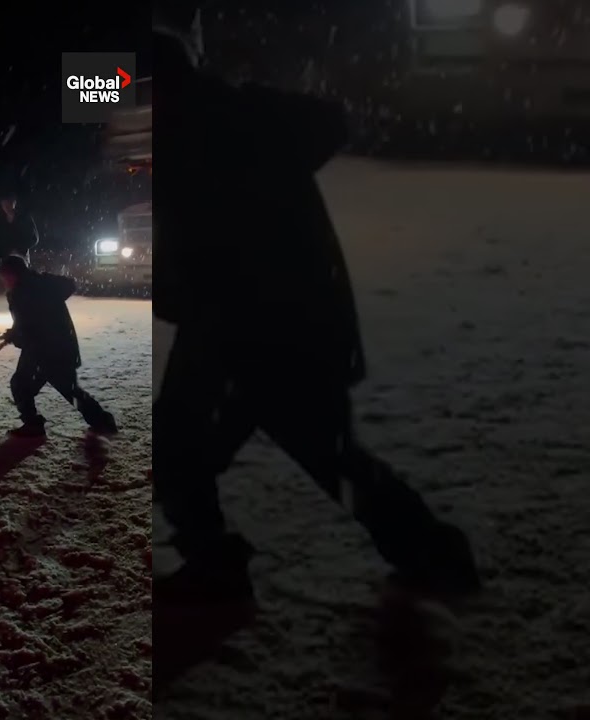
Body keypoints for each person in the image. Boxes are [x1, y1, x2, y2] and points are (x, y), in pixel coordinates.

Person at [151, 0, 480, 607]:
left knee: (185, 450)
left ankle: (217, 562)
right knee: (319, 457)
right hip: (282, 320)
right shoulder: (236, 112)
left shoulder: (181, 125)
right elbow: (328, 121)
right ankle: (432, 553)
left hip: (245, 329)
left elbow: (82, 92)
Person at [0, 255, 117, 438]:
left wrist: (17, 336)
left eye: (5, 276)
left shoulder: (24, 292)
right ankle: (100, 420)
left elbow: (31, 326)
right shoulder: (36, 285)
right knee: (28, 385)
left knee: (57, 388)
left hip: (50, 350)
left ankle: (100, 421)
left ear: (15, 274)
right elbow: (27, 321)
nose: (3, 281)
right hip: (51, 347)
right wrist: (15, 333)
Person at [0, 193, 39, 270]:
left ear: (14, 203)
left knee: (21, 280)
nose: (6, 206)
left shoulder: (25, 218)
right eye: (4, 204)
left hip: (21, 260)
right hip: (5, 262)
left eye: (9, 203)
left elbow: (34, 239)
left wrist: (18, 248)